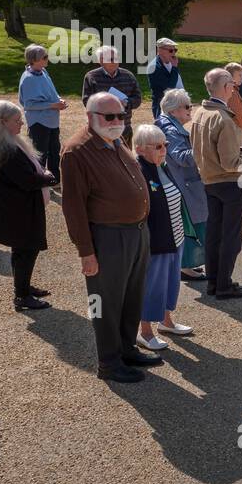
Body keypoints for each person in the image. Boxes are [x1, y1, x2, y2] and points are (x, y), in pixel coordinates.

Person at [59, 91, 158, 384]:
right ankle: (109, 363)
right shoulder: (77, 151)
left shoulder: (115, 139)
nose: (118, 121)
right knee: (105, 302)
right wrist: (86, 252)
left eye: (122, 115)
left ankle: (127, 349)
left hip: (136, 233)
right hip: (108, 238)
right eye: (110, 116)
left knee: (131, 296)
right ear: (90, 117)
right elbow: (73, 207)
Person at [0, 100, 57, 311]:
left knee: (21, 250)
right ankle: (22, 296)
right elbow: (27, 181)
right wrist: (49, 178)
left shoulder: (5, 142)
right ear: (2, 122)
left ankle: (23, 286)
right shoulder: (6, 150)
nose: (22, 123)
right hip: (18, 210)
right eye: (17, 120)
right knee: (27, 250)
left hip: (16, 208)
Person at [191, 68, 242, 298]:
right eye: (231, 83)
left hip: (209, 180)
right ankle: (223, 284)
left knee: (214, 234)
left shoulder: (200, 113)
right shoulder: (223, 119)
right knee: (231, 236)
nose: (233, 87)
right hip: (231, 182)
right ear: (226, 87)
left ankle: (213, 282)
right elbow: (231, 163)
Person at [132, 124, 193, 350]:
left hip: (175, 238)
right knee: (152, 287)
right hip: (156, 243)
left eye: (165, 145)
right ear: (140, 149)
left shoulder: (161, 166)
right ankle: (145, 332)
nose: (163, 149)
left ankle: (167, 321)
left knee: (170, 283)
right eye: (157, 146)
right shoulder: (139, 171)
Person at [155, 89, 208, 281]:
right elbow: (182, 158)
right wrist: (205, 146)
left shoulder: (168, 125)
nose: (190, 109)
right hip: (183, 186)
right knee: (190, 226)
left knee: (187, 224)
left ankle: (187, 264)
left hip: (182, 184)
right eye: (186, 106)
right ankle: (185, 266)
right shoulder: (170, 129)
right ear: (173, 110)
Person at [18, 44, 67, 187]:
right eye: (44, 57)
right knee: (40, 153)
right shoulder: (28, 79)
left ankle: (53, 180)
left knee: (54, 151)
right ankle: (39, 180)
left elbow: (52, 91)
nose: (47, 59)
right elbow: (28, 105)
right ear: (34, 60)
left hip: (52, 119)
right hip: (39, 122)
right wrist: (53, 105)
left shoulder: (43, 71)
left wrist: (59, 100)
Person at [81, 45, 142, 146]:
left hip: (124, 127)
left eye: (117, 58)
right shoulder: (91, 77)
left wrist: (126, 103)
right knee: (103, 160)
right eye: (111, 59)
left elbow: (137, 99)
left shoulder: (128, 75)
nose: (115, 61)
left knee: (125, 160)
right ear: (101, 61)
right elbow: (87, 101)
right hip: (101, 129)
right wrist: (108, 107)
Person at [146, 38, 184, 119]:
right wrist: (174, 68)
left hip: (176, 104)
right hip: (163, 107)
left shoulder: (171, 61)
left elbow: (178, 82)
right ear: (160, 50)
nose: (173, 53)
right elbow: (169, 87)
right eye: (171, 50)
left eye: (175, 50)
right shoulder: (153, 67)